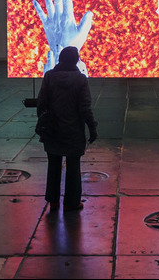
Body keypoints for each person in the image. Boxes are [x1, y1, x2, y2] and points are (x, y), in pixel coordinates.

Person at [36, 45, 97, 214]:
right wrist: (92, 128)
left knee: (53, 166)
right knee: (73, 167)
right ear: (76, 60)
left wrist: (43, 122)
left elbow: (41, 104)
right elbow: (85, 108)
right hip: (73, 132)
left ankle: (53, 201)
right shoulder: (81, 79)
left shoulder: (49, 77)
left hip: (53, 131)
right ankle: (71, 203)